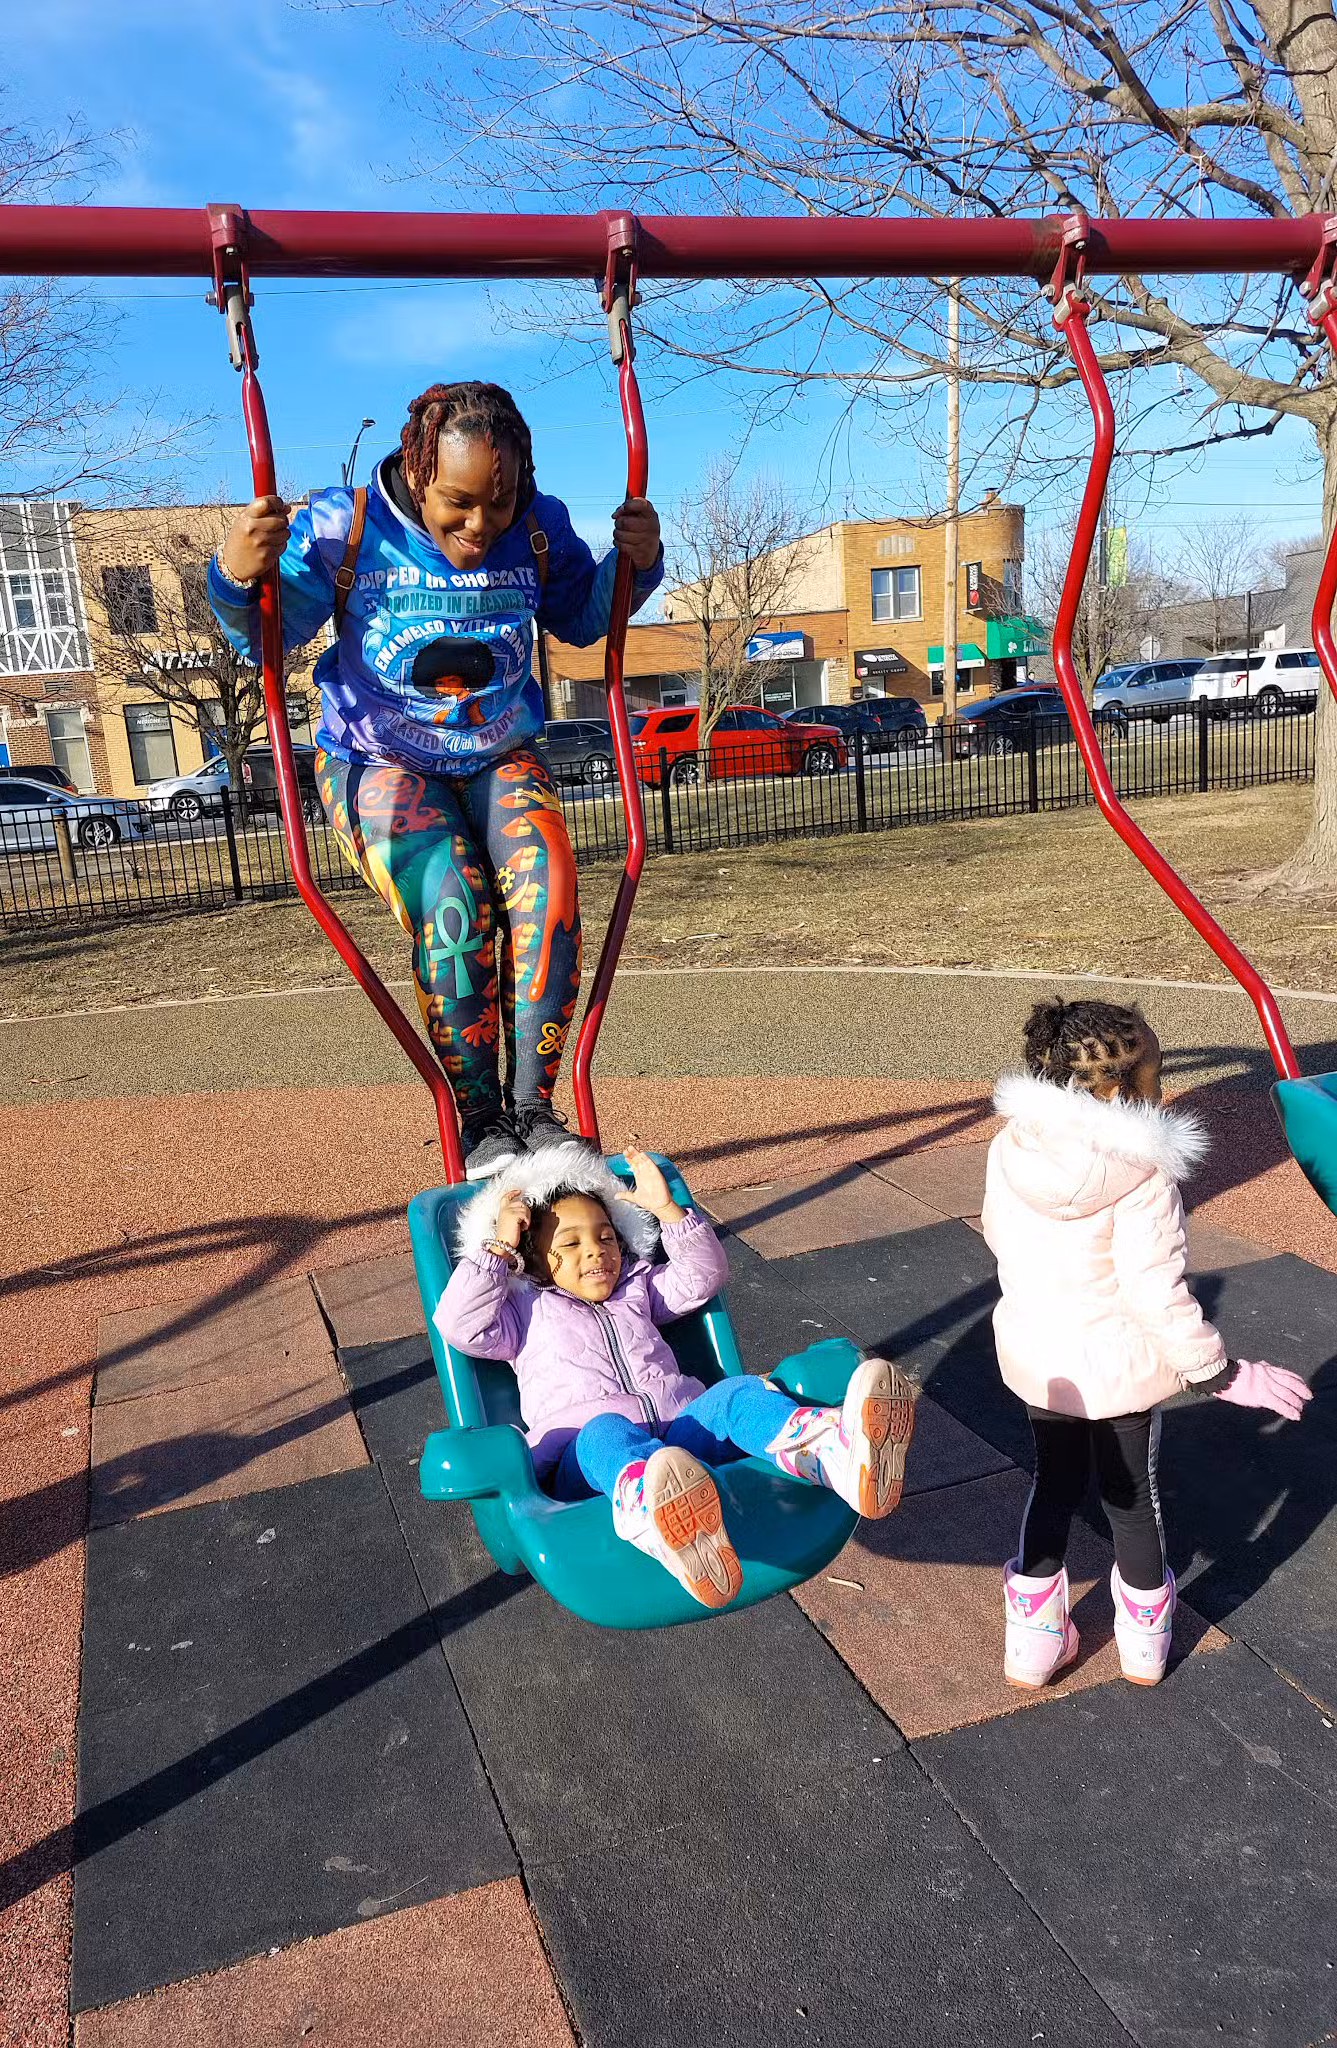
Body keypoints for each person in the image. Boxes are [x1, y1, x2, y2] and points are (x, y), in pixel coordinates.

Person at [206, 380, 664, 1180]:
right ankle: (481, 1118)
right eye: (458, 503)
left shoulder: (539, 527)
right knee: (451, 896)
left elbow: (585, 620)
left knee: (549, 890)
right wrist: (236, 578)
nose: (481, 526)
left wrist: (639, 562)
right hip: (377, 758)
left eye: (500, 500)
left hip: (498, 750)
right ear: (417, 473)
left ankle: (534, 1109)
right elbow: (270, 642)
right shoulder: (344, 529)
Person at [982, 996, 1312, 1690]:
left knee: (1054, 1482)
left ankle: (1034, 1646)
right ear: (1128, 1087)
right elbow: (1154, 1290)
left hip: (1041, 1359)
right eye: (1157, 1073)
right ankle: (1142, 1647)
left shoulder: (1014, 1144)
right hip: (1117, 1366)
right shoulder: (1143, 1173)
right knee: (1132, 1500)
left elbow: (999, 1235)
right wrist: (1218, 1373)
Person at [433, 1143, 917, 1611]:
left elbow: (702, 1277)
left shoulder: (637, 1288)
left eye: (605, 1237)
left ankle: (827, 1452)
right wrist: (497, 1248)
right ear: (533, 1260)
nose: (597, 1252)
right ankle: (648, 1511)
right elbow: (459, 1325)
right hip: (590, 1466)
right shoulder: (522, 1311)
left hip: (681, 1443)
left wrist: (668, 1212)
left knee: (735, 1394)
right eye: (571, 1243)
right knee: (604, 1431)